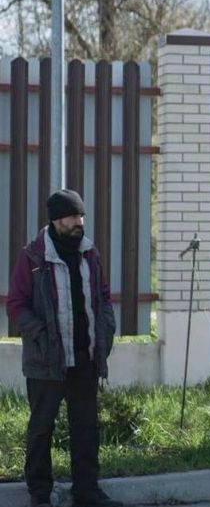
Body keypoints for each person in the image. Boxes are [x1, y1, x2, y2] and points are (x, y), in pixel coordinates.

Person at [5, 190, 122, 507]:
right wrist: (42, 337)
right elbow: (16, 305)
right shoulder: (33, 257)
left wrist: (106, 331)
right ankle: (40, 494)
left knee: (86, 428)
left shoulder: (89, 253)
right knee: (41, 428)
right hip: (47, 362)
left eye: (81, 216)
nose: (79, 222)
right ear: (56, 220)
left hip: (85, 359)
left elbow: (103, 297)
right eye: (73, 216)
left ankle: (87, 491)